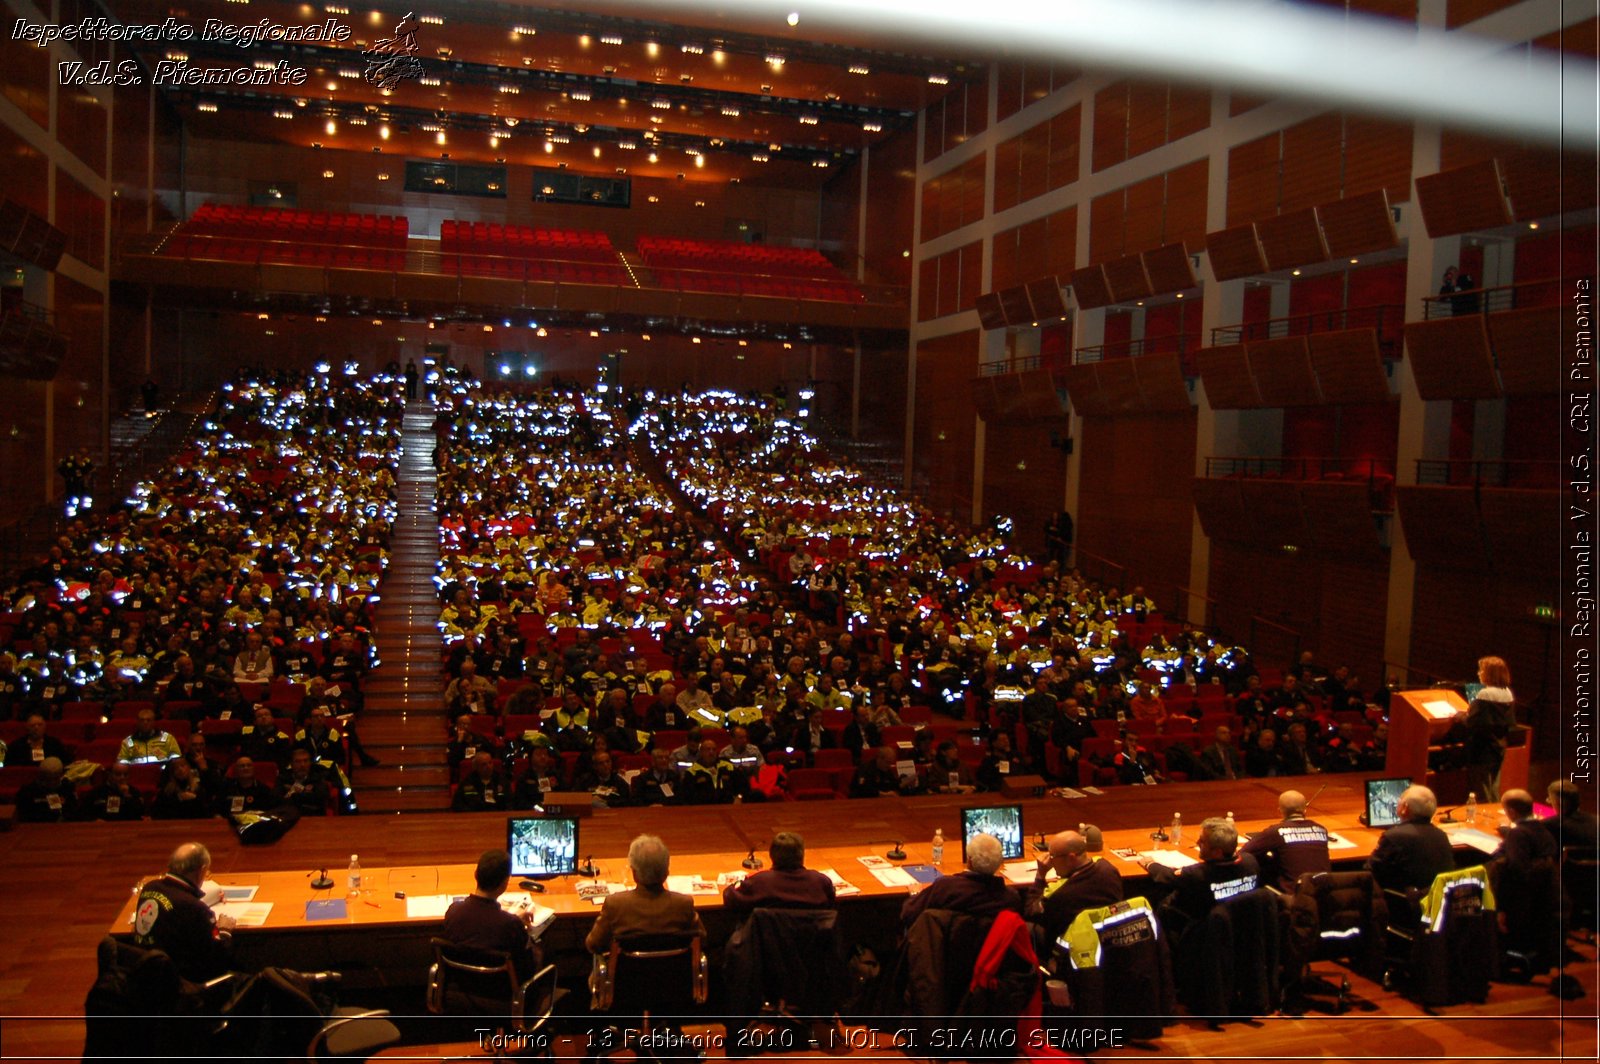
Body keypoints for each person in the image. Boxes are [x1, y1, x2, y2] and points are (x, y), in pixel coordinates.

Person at [1138, 817, 1261, 938]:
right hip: (1241, 930)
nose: (1197, 843)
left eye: (1202, 841)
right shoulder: (1250, 862)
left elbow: (1166, 876)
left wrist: (1149, 863)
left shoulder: (1199, 874)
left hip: (1203, 935)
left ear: (1217, 852)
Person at [132, 842, 236, 983]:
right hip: (184, 984)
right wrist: (225, 931)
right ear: (202, 870)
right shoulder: (195, 908)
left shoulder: (149, 888)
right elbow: (217, 960)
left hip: (146, 977)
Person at [585, 835, 705, 954]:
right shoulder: (683, 904)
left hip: (627, 972)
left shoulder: (615, 904)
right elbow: (702, 939)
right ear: (666, 872)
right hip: (673, 972)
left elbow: (594, 944)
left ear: (634, 873)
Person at [442, 850, 540, 979]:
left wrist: (514, 919)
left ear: (476, 875)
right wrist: (529, 934)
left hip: (461, 989)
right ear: (505, 883)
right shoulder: (510, 924)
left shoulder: (453, 912)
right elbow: (528, 966)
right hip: (503, 993)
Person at [901, 832, 1022, 928]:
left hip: (945, 955)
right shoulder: (1011, 898)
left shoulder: (946, 888)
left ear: (969, 860)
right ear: (1000, 863)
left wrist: (915, 894)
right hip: (990, 957)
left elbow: (909, 914)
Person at [1025, 828, 1124, 942]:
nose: (1050, 862)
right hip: (1108, 939)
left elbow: (1030, 912)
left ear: (1071, 858)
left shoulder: (1061, 894)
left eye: (1052, 857)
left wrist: (1040, 876)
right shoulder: (1109, 870)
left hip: (1071, 947)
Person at [1366, 784, 1456, 893]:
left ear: (1405, 808)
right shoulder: (1442, 835)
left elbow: (1370, 871)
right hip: (1437, 903)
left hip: (1403, 904)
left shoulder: (1394, 837)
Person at [1241, 789, 1332, 892]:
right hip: (1324, 895)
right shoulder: (1321, 829)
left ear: (1280, 811)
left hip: (1294, 897)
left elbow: (1244, 852)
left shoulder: (1276, 831)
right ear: (1305, 809)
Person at [722, 831, 836, 912]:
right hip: (811, 944)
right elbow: (831, 903)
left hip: (767, 944)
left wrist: (737, 883)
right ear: (802, 855)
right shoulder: (820, 881)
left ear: (771, 855)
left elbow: (730, 898)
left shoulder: (759, 881)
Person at [1461, 655, 1515, 801]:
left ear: (1489, 674)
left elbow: (1472, 722)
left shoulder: (1485, 694)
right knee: (1493, 787)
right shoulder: (1507, 694)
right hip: (1498, 748)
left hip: (1482, 749)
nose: (1479, 673)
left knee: (1481, 789)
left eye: (1482, 670)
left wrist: (1459, 717)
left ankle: (1485, 819)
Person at [1542, 779, 1600, 849]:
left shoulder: (1549, 825)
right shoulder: (1597, 821)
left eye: (1550, 798)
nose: (1548, 801)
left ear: (1558, 803)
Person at [15, 757, 76, 822]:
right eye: (48, 779)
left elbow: (72, 812)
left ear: (61, 776)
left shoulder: (67, 788)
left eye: (55, 778)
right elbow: (23, 816)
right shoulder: (28, 792)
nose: (52, 782)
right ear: (41, 776)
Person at [81, 761, 147, 820]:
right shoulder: (97, 792)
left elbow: (140, 814)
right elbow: (83, 813)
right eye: (118, 774)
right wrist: (94, 820)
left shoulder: (134, 792)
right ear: (110, 775)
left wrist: (127, 796)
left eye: (125, 774)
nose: (122, 777)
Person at [117, 708, 183, 764]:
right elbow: (122, 762)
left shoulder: (167, 738)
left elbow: (176, 759)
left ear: (154, 722)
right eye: (142, 720)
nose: (145, 723)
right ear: (137, 722)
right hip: (137, 775)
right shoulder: (128, 742)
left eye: (148, 720)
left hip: (162, 775)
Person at [4, 712, 71, 767]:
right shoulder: (16, 746)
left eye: (40, 725)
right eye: (32, 725)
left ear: (45, 726)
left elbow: (66, 763)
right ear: (27, 728)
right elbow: (8, 766)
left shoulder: (55, 744)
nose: (36, 728)